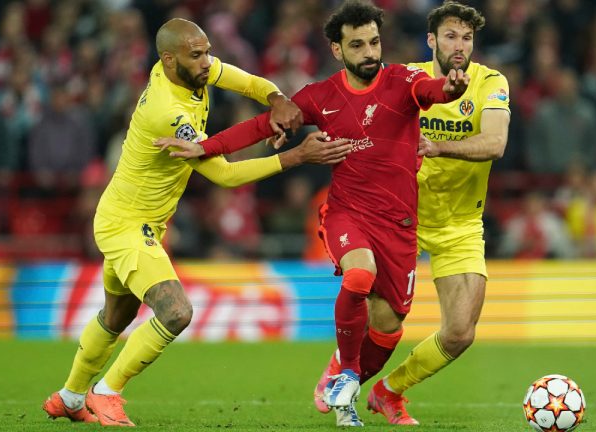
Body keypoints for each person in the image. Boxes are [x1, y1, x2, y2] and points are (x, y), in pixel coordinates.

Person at [159, 2, 468, 426]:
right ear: (337, 50)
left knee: (389, 328)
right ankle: (347, 370)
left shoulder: (405, 80)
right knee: (360, 276)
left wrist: (453, 88)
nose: (369, 52)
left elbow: (436, 92)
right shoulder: (321, 96)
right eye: (357, 45)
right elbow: (263, 125)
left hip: (398, 225)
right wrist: (206, 146)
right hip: (347, 213)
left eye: (374, 42)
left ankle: (346, 373)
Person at [41, 18, 352, 427]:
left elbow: (245, 82)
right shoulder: (167, 112)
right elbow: (223, 174)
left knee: (115, 316)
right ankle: (107, 392)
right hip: (127, 225)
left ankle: (69, 396)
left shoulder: (187, 71)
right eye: (197, 55)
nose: (208, 62)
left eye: (207, 52)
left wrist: (276, 97)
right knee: (176, 313)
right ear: (169, 60)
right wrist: (295, 157)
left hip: (134, 219)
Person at [363, 1, 511, 425]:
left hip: (460, 225)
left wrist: (437, 146)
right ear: (431, 40)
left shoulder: (491, 82)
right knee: (383, 323)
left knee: (461, 332)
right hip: (401, 217)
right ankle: (342, 368)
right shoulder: (407, 80)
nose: (459, 45)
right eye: (450, 36)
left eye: (466, 37)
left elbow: (495, 144)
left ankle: (389, 390)